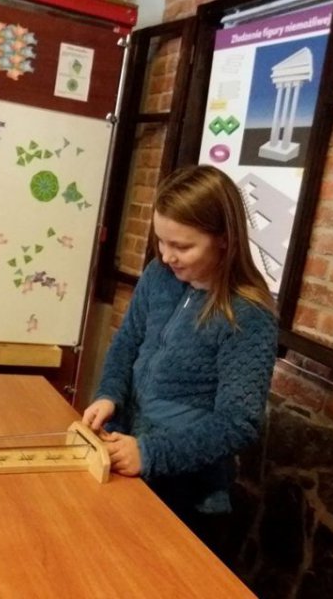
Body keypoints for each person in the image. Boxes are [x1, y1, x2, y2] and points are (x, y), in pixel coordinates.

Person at [82, 164, 278, 561]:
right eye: (161, 241)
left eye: (182, 247)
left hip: (187, 497)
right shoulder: (159, 276)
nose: (167, 255)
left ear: (224, 240)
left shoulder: (249, 315)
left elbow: (238, 423)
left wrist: (151, 453)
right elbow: (127, 343)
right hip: (121, 458)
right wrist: (108, 395)